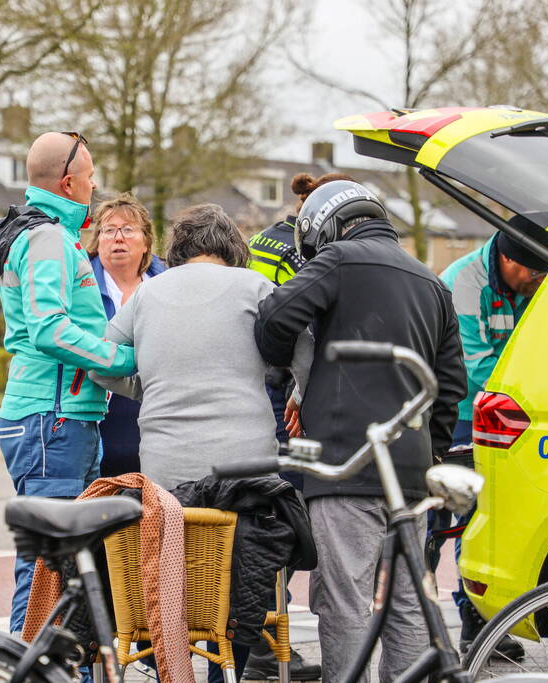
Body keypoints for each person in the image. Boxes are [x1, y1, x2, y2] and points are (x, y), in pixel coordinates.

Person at [255, 181, 467, 683]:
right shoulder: (432, 282)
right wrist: (429, 457)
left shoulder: (336, 261)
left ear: (326, 224)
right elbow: (450, 384)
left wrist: (295, 371)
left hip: (344, 466)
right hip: (410, 476)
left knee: (345, 599)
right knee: (408, 603)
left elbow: (272, 322)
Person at [91, 203, 312, 683]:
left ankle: (169, 663)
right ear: (234, 248)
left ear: (177, 249)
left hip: (166, 476)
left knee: (181, 575)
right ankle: (227, 670)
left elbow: (101, 364)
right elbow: (306, 346)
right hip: (247, 471)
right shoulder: (255, 287)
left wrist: (147, 385)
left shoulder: (147, 294)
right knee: (245, 575)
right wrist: (298, 392)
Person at [0, 132, 137, 635]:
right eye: (92, 176)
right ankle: (22, 665)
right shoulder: (48, 236)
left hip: (55, 420)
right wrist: (122, 359)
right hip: (53, 423)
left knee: (58, 569)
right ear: (70, 181)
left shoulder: (49, 233)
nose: (96, 186)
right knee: (47, 573)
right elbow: (48, 327)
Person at [437, 216, 548, 654]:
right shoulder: (463, 285)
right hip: (458, 415)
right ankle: (448, 630)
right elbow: (475, 369)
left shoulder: (530, 280)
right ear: (507, 258)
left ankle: (483, 626)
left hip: (508, 409)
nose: (539, 280)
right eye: (534, 272)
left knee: (493, 520)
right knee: (461, 519)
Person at [245, 172, 345, 680]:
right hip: (285, 396)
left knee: (272, 517)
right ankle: (269, 651)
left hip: (261, 390)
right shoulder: (304, 249)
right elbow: (297, 323)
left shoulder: (266, 238)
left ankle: (268, 647)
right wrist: (298, 388)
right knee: (285, 521)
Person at [87, 193, 166, 477]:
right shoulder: (79, 287)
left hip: (156, 414)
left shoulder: (168, 284)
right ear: (98, 240)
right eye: (109, 230)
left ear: (146, 242)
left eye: (128, 229)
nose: (118, 238)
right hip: (97, 415)